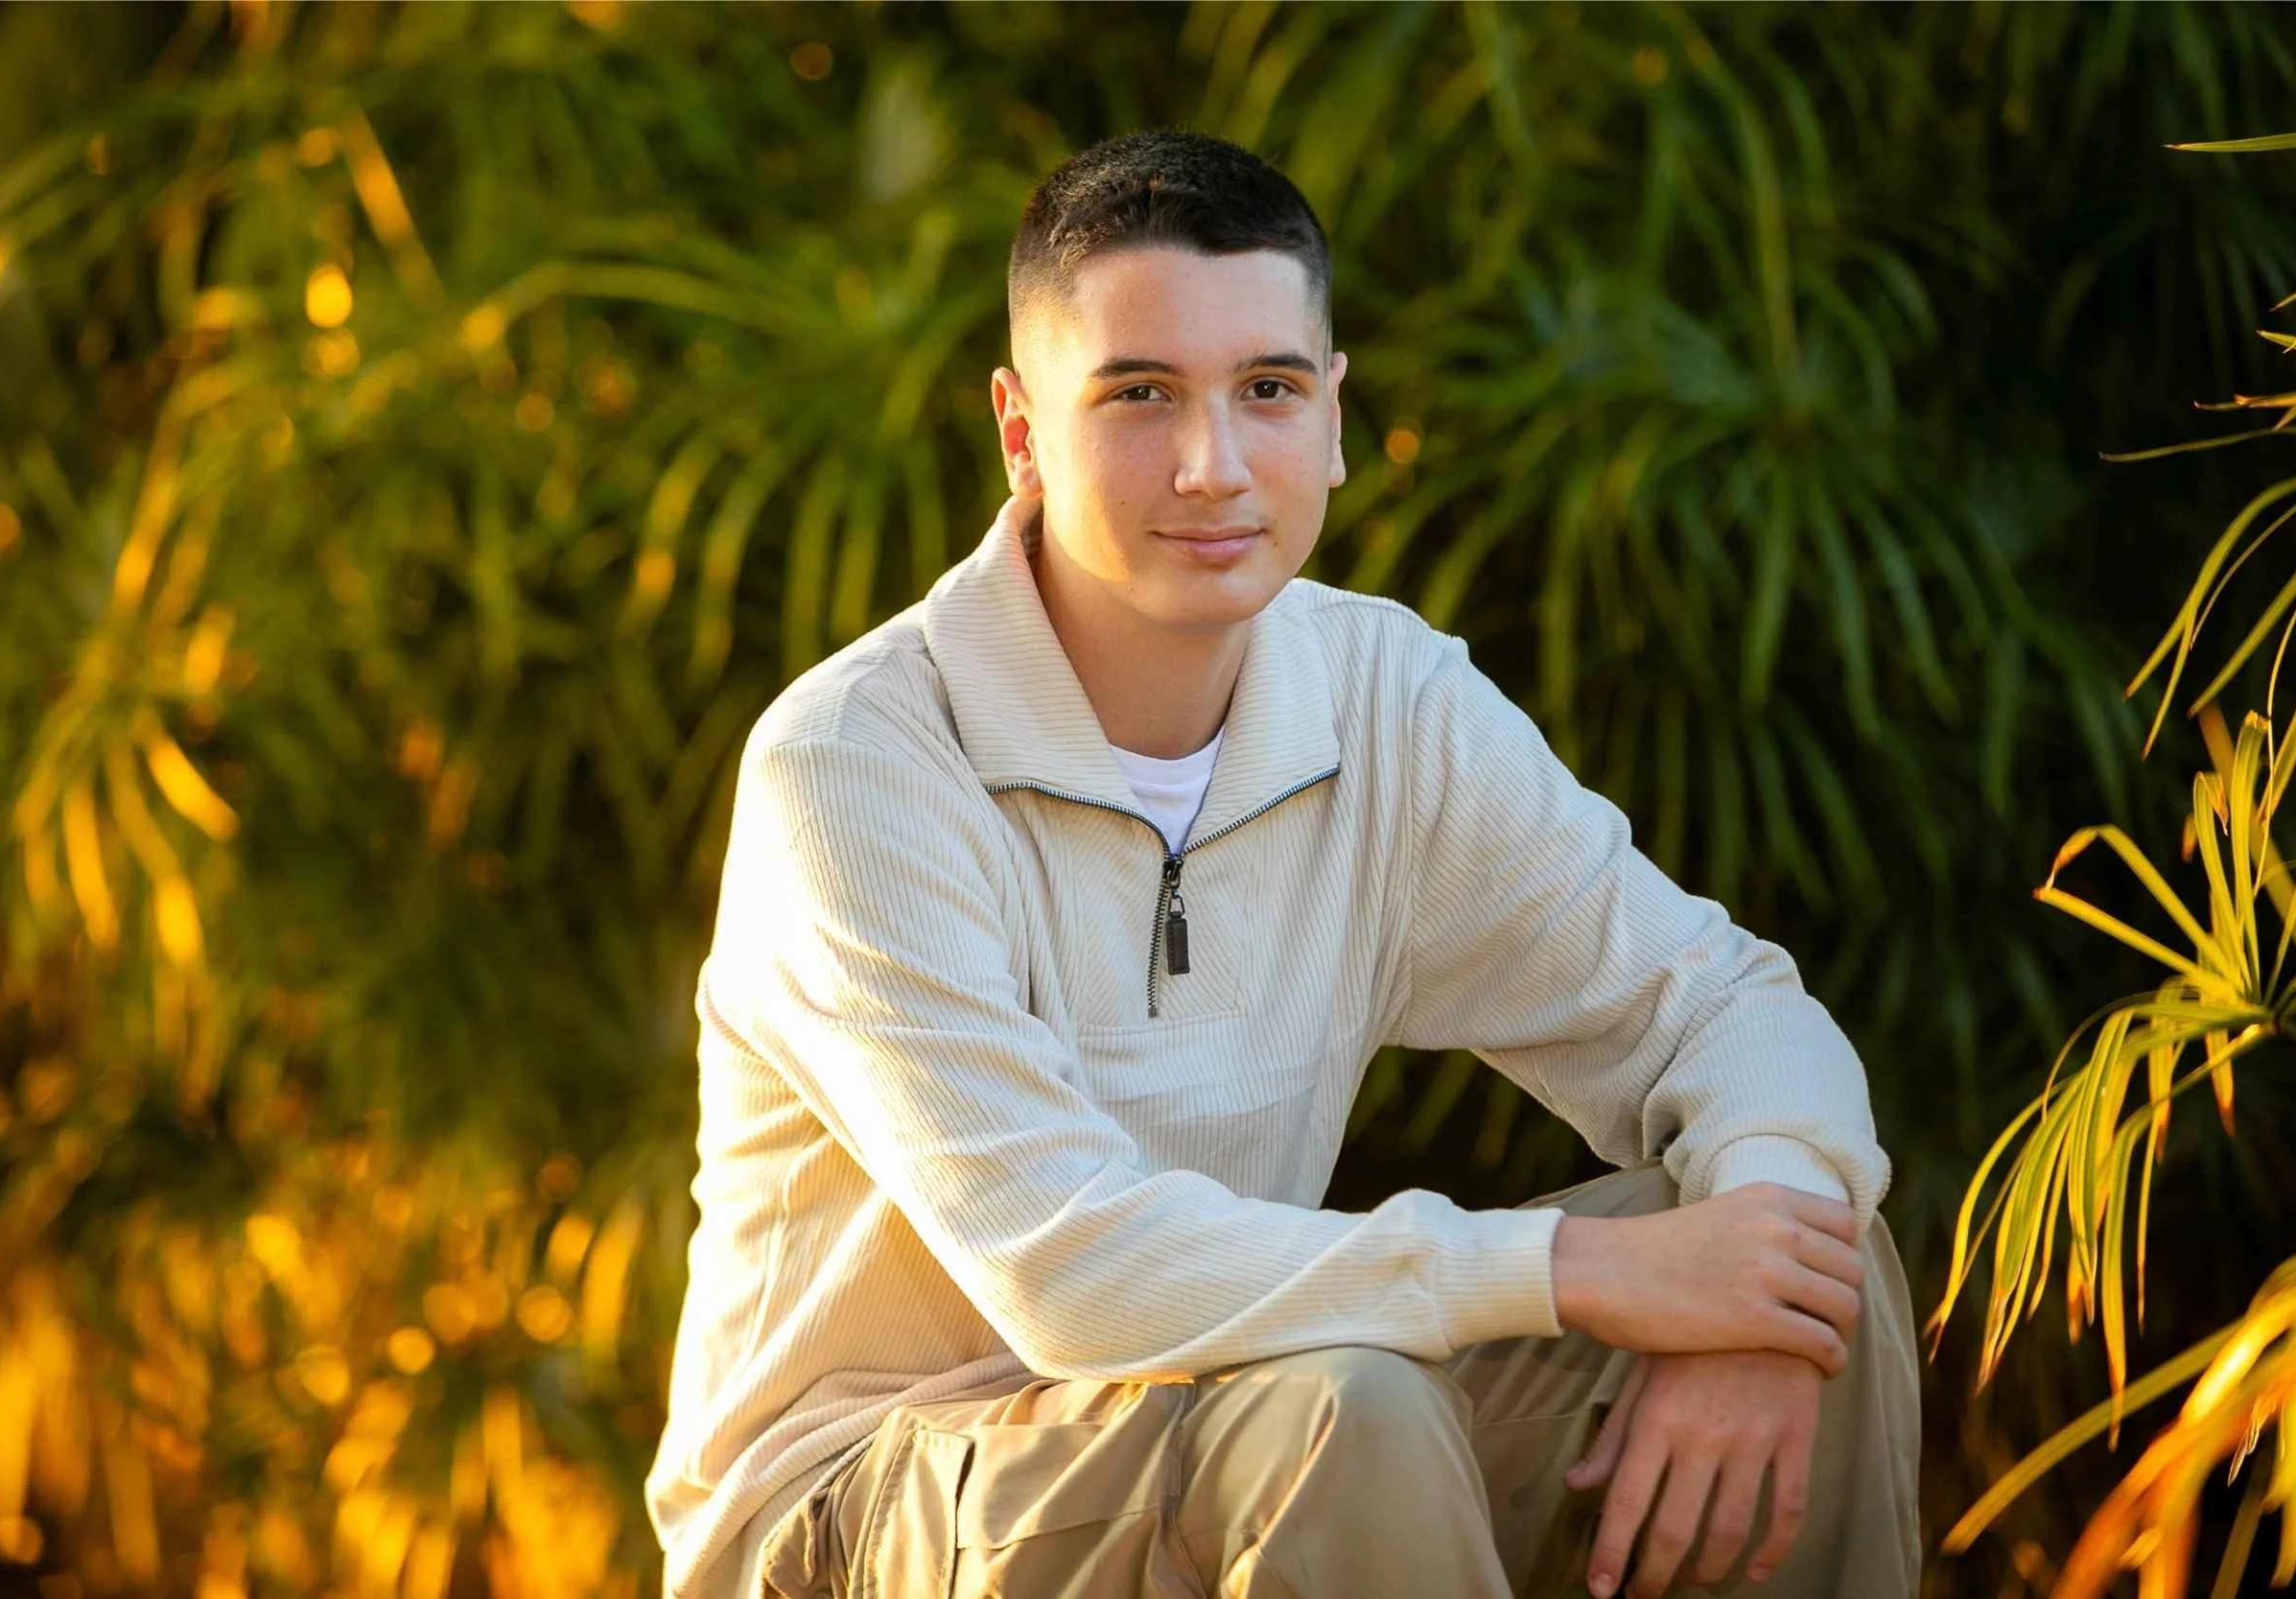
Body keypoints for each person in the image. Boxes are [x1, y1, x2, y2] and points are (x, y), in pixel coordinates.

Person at [644, 129, 1919, 1599]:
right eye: (1140, 395)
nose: (1214, 466)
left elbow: (1729, 1008)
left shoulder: (1383, 702)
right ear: (1020, 429)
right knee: (1344, 1415)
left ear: (1333, 415)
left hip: (1242, 1399)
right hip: (855, 1499)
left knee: (1816, 1265)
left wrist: (1756, 1302)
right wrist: (1574, 1271)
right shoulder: (858, 766)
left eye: (1268, 390)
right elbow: (1071, 1270)